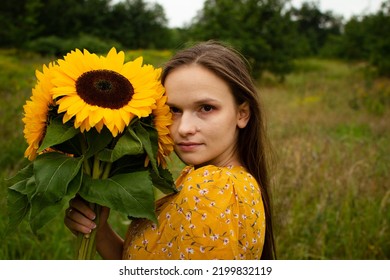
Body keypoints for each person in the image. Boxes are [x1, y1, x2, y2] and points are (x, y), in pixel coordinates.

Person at [64, 40, 276, 260]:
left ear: (242, 114)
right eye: (173, 110)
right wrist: (100, 232)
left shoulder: (214, 188)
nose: (184, 128)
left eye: (206, 108)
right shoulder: (213, 180)